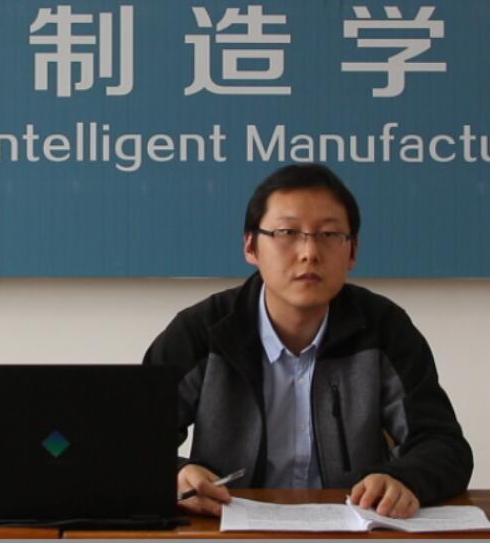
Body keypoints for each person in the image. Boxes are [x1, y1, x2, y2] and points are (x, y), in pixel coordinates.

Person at [144, 163, 472, 519]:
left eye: (329, 234)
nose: (309, 253)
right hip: (227, 529)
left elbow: (444, 445)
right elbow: (127, 440)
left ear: (352, 252)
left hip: (352, 530)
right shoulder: (204, 330)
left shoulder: (384, 328)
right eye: (287, 232)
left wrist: (403, 479)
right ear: (251, 246)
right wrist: (175, 474)